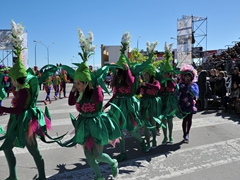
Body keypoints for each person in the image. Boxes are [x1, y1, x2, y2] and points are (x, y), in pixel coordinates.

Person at [60, 29, 120, 180]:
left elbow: (99, 99)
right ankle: (99, 176)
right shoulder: (79, 92)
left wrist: (92, 84)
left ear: (87, 83)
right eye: (75, 83)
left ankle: (113, 162)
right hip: (84, 124)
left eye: (79, 83)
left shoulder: (96, 91)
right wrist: (74, 89)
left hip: (97, 124)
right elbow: (70, 102)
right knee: (88, 155)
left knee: (98, 155)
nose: (77, 85)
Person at [103, 34, 153, 161]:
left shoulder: (130, 76)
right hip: (118, 108)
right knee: (119, 131)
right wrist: (105, 106)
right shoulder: (117, 80)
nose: (118, 71)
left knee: (131, 131)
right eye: (117, 70)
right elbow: (115, 95)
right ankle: (123, 152)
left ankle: (142, 143)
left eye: (120, 70)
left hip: (129, 106)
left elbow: (130, 82)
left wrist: (128, 70)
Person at [136, 64, 162, 149]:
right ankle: (147, 143)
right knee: (146, 125)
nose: (145, 76)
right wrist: (139, 86)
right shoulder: (142, 83)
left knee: (153, 123)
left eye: (146, 74)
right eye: (144, 74)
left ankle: (154, 140)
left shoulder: (155, 82)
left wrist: (146, 84)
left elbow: (157, 88)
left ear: (151, 74)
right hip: (145, 105)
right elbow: (137, 93)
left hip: (153, 105)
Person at [178, 64, 199, 143]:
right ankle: (184, 134)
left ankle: (187, 134)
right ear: (183, 76)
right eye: (186, 76)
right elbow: (177, 94)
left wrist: (190, 87)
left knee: (189, 119)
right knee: (184, 120)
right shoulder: (180, 85)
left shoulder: (194, 85)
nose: (187, 78)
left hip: (190, 104)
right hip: (183, 104)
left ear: (191, 77)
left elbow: (196, 94)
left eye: (189, 76)